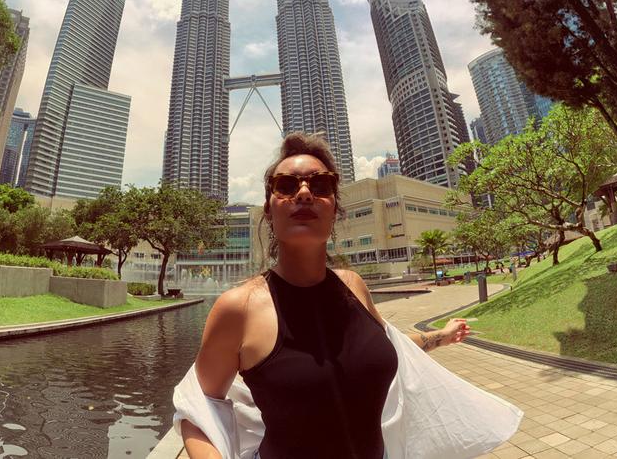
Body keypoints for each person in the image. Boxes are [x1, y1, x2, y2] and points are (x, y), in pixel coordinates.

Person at [179, 133, 474, 459]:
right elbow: (199, 407)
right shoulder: (239, 308)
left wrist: (440, 337)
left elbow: (390, 344)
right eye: (287, 185)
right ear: (269, 209)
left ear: (335, 209)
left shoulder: (353, 286)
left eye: (320, 186)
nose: (304, 192)